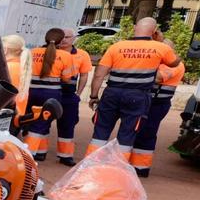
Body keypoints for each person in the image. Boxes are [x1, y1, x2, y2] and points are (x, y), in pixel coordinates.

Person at [88, 17, 183, 162]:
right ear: (154, 31)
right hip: (137, 96)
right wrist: (159, 41)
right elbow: (175, 62)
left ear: (134, 28)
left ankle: (90, 165)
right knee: (127, 134)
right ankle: (118, 168)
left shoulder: (116, 46)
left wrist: (94, 96)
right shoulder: (160, 47)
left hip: (112, 93)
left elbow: (99, 74)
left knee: (100, 131)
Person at [131, 31, 186, 177]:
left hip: (157, 104)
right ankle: (132, 164)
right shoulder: (159, 62)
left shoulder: (174, 65)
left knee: (147, 132)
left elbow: (158, 78)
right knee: (136, 130)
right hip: (146, 101)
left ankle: (141, 168)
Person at [24, 28, 73, 161]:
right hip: (51, 94)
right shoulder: (66, 56)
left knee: (32, 120)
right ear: (61, 41)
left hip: (30, 92)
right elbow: (67, 79)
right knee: (41, 123)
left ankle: (41, 152)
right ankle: (28, 155)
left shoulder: (32, 52)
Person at [55, 29, 92, 165]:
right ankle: (39, 152)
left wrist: (78, 94)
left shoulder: (82, 55)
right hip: (51, 91)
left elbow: (84, 75)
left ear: (74, 38)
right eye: (61, 37)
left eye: (67, 37)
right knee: (42, 123)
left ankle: (65, 155)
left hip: (69, 94)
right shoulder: (50, 51)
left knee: (68, 124)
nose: (64, 40)